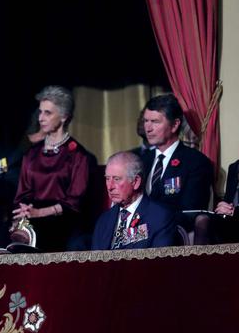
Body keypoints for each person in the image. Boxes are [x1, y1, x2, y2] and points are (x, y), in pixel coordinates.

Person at [12, 86, 91, 252]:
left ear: (63, 116)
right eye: (40, 112)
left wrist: (39, 213)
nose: (41, 118)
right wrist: (26, 212)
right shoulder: (31, 154)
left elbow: (74, 203)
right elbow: (22, 194)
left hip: (65, 227)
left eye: (48, 113)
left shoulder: (78, 155)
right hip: (32, 225)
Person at [140, 93, 213, 230]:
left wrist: (147, 225)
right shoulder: (141, 161)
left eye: (155, 122)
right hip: (137, 233)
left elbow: (190, 211)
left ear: (174, 125)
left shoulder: (195, 162)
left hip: (170, 232)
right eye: (146, 121)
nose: (148, 129)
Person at [91, 151, 176, 250]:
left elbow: (159, 263)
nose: (110, 187)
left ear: (136, 182)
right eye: (107, 179)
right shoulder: (104, 219)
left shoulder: (159, 217)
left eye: (117, 179)